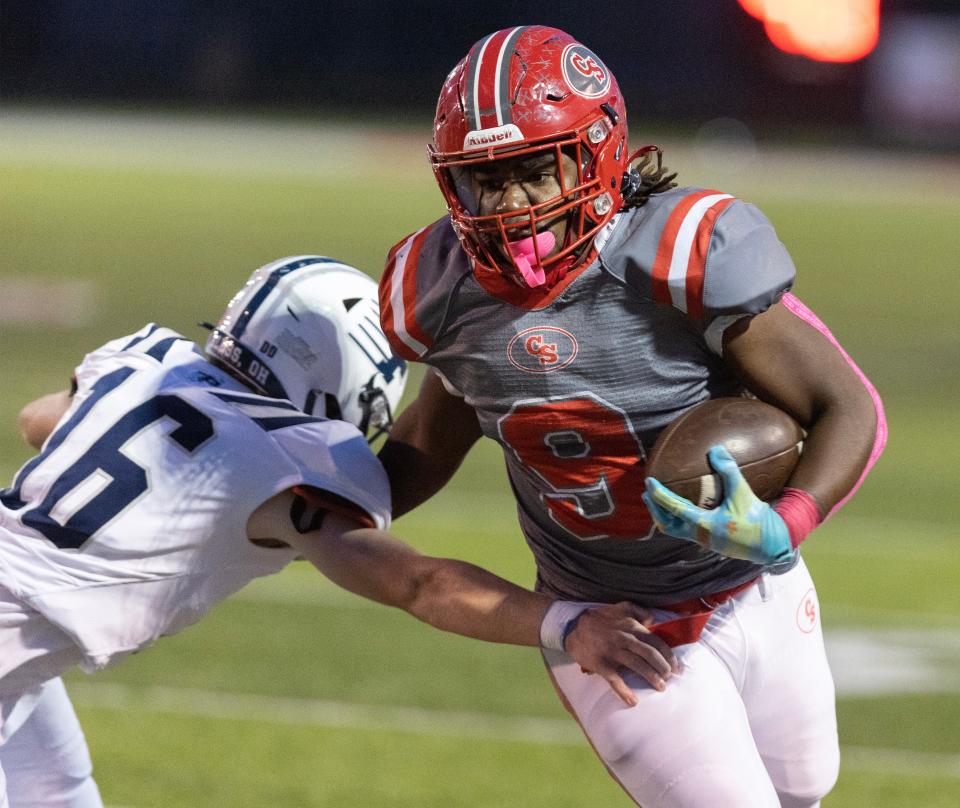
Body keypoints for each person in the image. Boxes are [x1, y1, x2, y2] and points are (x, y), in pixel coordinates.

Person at [377, 26, 887, 808]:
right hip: (613, 621)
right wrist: (306, 499)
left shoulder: (683, 253)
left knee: (803, 791)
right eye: (486, 180)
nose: (510, 206)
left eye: (533, 172)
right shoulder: (444, 295)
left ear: (595, 155)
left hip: (753, 584)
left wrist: (786, 522)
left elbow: (847, 404)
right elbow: (424, 443)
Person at [0, 255, 660, 808]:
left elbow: (38, 421)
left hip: (17, 635)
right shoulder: (286, 457)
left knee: (56, 788)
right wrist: (567, 624)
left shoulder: (144, 361)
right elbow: (419, 584)